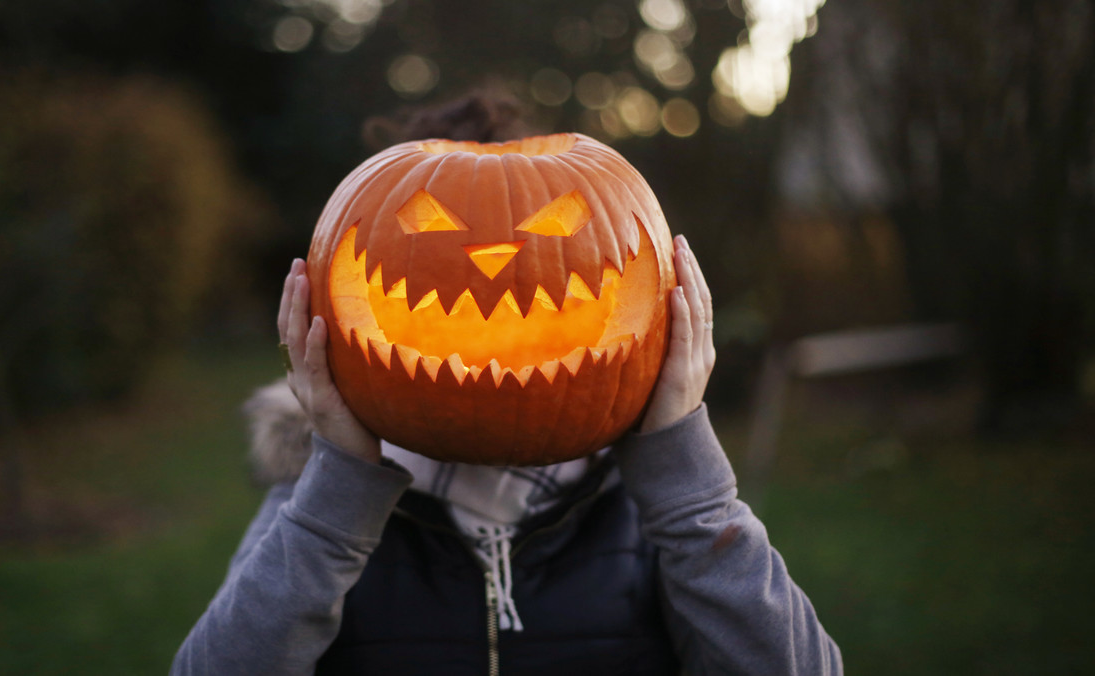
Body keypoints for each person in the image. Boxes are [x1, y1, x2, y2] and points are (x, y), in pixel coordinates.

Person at [172, 95, 843, 675]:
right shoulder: (319, 505)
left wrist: (686, 481)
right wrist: (340, 484)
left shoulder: (654, 514)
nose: (494, 258)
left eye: (553, 222)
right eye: (430, 223)